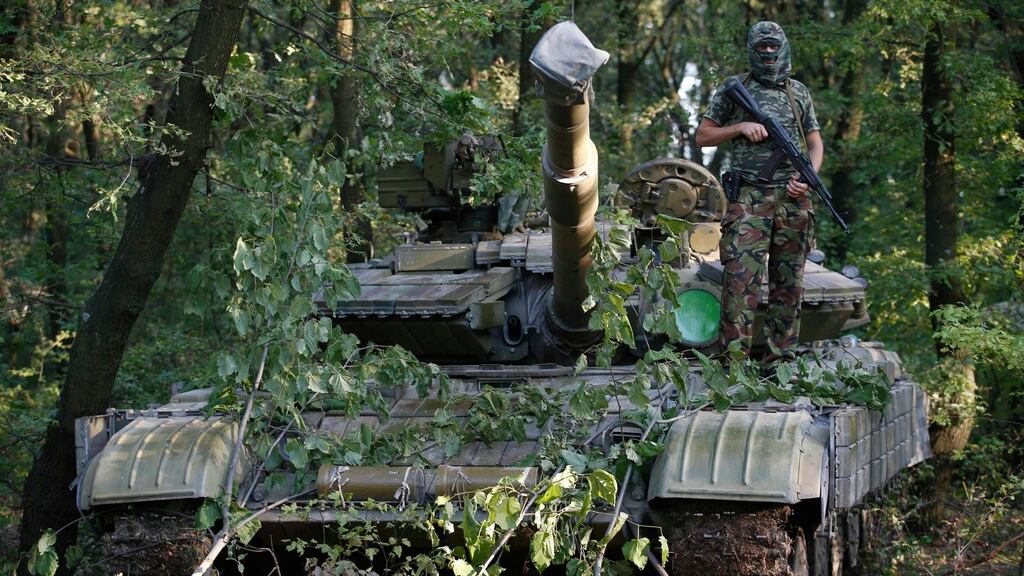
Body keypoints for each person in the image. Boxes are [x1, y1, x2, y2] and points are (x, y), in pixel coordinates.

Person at [694, 21, 824, 359]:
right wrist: (739, 126)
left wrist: (808, 177)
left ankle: (780, 362)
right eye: (761, 47)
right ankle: (733, 365)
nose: (767, 53)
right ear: (752, 48)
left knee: (789, 286)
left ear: (782, 47)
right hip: (749, 199)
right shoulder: (734, 88)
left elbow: (814, 144)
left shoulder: (798, 92)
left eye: (772, 47)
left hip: (794, 200)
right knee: (739, 285)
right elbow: (703, 136)